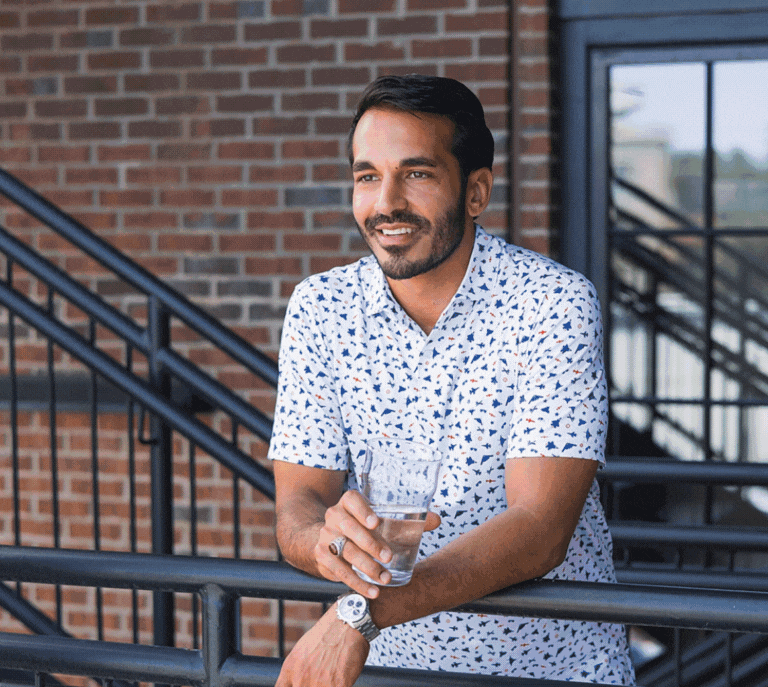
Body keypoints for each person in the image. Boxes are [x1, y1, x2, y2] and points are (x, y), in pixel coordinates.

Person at [268, 74, 635, 687]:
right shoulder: (320, 308)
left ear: (475, 191)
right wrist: (325, 540)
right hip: (390, 673)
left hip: (549, 670)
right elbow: (297, 504)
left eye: (416, 174)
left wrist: (360, 613)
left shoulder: (551, 303)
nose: (385, 202)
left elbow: (539, 531)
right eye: (366, 176)